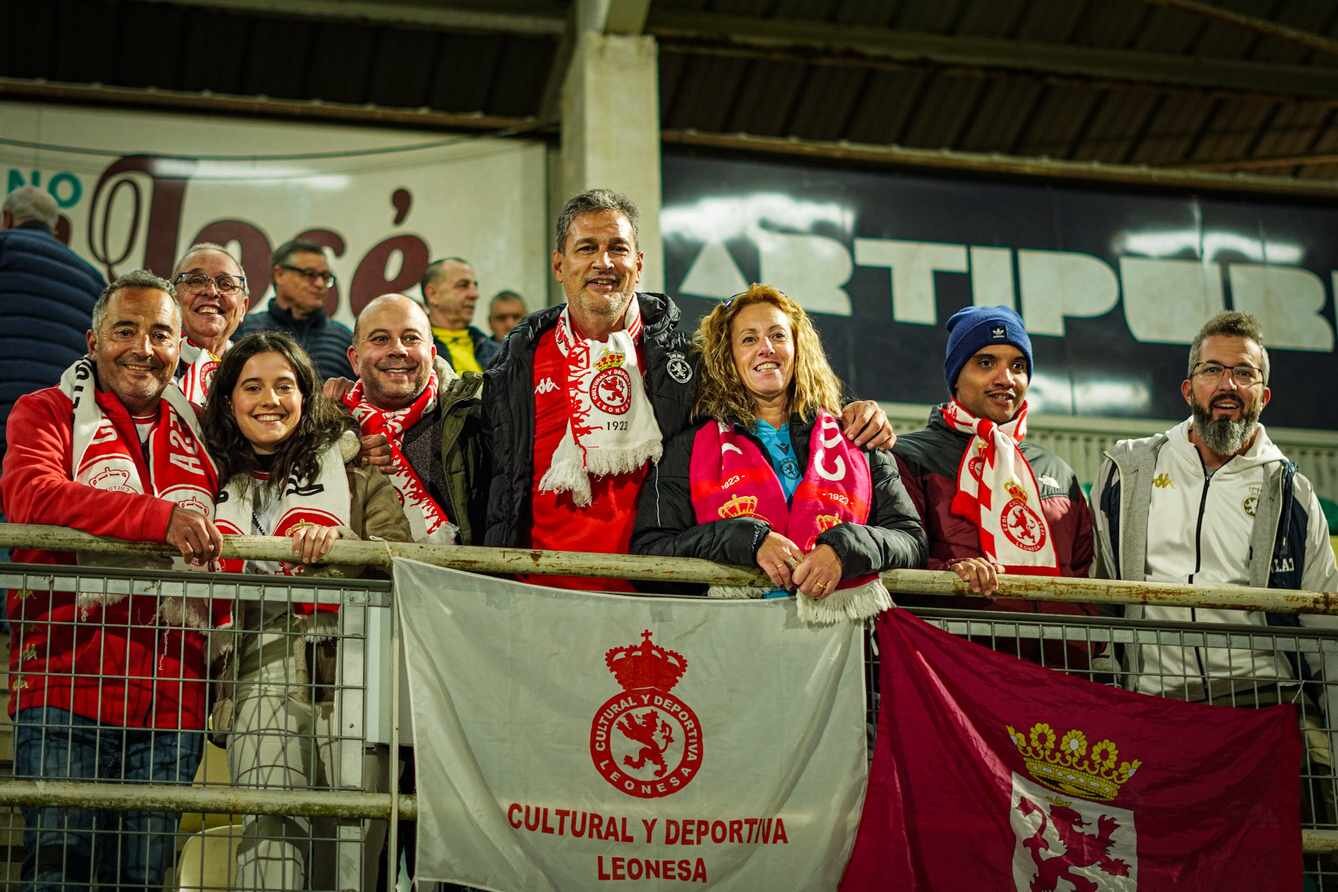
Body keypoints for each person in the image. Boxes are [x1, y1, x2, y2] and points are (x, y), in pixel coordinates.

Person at [483, 188, 894, 591]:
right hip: (537, 590)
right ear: (559, 264)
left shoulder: (686, 362)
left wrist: (855, 410)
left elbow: (781, 387)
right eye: (587, 248)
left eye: (618, 248)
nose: (603, 262)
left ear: (638, 263)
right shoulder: (516, 365)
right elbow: (497, 481)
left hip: (660, 595)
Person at [2, 269, 223, 892]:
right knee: (58, 877)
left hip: (174, 693)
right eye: (125, 330)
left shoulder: (206, 426)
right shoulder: (45, 410)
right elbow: (31, 495)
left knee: (143, 881)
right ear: (93, 341)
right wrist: (160, 520)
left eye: (161, 334)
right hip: (65, 681)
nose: (143, 348)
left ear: (179, 347)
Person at [202, 331, 411, 892]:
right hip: (258, 665)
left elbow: (404, 560)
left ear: (305, 395)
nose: (270, 400)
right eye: (252, 387)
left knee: (354, 838)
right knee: (270, 826)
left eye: (284, 386)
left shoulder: (355, 474)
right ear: (228, 399)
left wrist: (345, 546)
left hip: (353, 669)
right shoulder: (206, 477)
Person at [631, 284, 926, 619]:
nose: (766, 348)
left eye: (778, 336)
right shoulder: (689, 446)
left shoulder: (857, 436)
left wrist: (845, 549)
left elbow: (911, 541)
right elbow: (650, 552)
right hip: (730, 632)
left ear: (799, 348)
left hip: (845, 637)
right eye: (749, 339)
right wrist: (747, 541)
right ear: (728, 357)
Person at [892, 305, 1104, 670]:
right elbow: (900, 555)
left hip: (1059, 671)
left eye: (1018, 366)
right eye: (986, 363)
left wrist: (1088, 644)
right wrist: (951, 573)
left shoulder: (1058, 471)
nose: (1006, 378)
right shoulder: (908, 457)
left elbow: (1086, 574)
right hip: (954, 669)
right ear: (956, 376)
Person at [342, 293, 484, 545]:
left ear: (431, 352)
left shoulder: (476, 413)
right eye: (380, 339)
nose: (398, 349)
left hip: (464, 569)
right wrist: (341, 457)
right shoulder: (328, 427)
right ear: (355, 359)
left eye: (411, 338)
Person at [0, 186, 104, 463]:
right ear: (55, 227)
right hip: (51, 421)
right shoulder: (91, 278)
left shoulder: (4, 246)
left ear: (7, 218)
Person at [236, 238, 353, 380]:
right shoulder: (243, 330)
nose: (320, 284)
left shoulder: (344, 339)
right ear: (279, 274)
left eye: (325, 276)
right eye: (310, 274)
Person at [170, 242, 249, 403]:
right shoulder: (151, 365)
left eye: (225, 284)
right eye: (196, 280)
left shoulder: (253, 371)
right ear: (172, 298)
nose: (211, 291)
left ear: (243, 308)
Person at [421, 256, 501, 372]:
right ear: (433, 294)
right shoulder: (415, 351)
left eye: (475, 286)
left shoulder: (498, 352)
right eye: (463, 285)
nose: (474, 295)